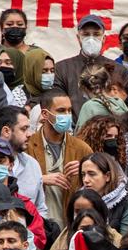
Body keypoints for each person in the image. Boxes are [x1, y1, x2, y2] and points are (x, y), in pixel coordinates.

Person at [26, 90, 93, 228]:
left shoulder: (82, 149)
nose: (67, 116)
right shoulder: (27, 146)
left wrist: (84, 172)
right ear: (45, 114)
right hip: (36, 226)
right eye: (61, 111)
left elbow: (98, 189)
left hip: (70, 227)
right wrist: (40, 179)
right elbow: (14, 183)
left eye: (69, 111)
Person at [52, 14, 128, 118]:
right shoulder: (62, 68)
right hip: (74, 131)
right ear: (78, 38)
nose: (91, 39)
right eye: (86, 34)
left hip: (112, 130)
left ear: (103, 38)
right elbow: (57, 103)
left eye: (96, 34)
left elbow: (127, 104)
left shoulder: (118, 70)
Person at [80, 153, 128, 234]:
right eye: (83, 175)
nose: (85, 180)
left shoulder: (126, 205)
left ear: (107, 176)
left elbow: (126, 242)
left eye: (92, 174)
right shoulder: (79, 201)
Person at [76, 64, 128, 131]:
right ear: (107, 83)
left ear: (86, 89)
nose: (83, 95)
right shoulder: (120, 103)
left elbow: (80, 136)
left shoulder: (89, 107)